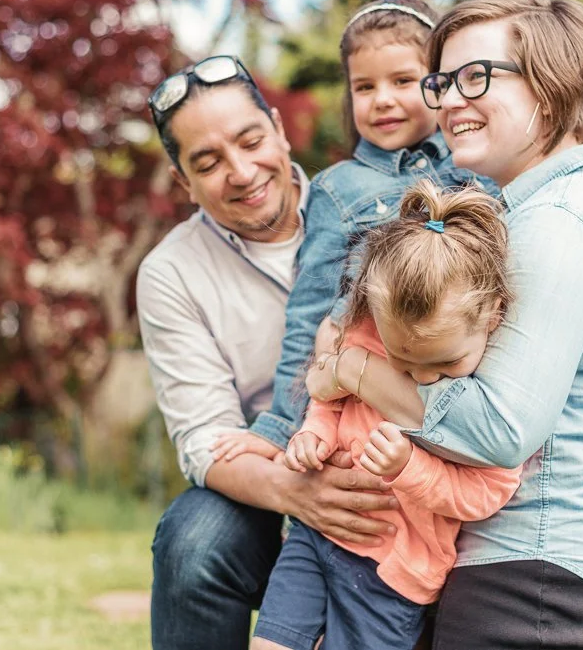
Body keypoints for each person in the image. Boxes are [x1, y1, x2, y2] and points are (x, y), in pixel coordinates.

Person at [312, 0, 583, 649]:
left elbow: (500, 426)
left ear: (549, 84)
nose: (448, 100)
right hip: (538, 562)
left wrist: (354, 370)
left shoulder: (558, 226)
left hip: (544, 564)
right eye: (443, 80)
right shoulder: (538, 205)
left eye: (476, 76)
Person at [211, 0, 583, 466]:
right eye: (364, 87)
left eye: (404, 81)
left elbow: (549, 217)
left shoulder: (477, 171)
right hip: (377, 393)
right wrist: (280, 427)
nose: (383, 101)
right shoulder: (340, 188)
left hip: (453, 386)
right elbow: (310, 312)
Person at [137, 55, 402, 650]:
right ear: (183, 181)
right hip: (272, 478)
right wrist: (295, 493)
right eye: (207, 163)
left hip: (395, 460)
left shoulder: (369, 205)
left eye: (251, 140)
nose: (240, 171)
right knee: (194, 541)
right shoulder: (171, 274)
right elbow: (205, 440)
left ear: (279, 131)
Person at [249, 180, 522, 650]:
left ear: (492, 316)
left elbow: (485, 492)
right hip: (317, 535)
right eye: (403, 361)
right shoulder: (368, 334)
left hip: (392, 569)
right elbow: (330, 401)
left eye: (444, 364)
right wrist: (313, 436)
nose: (421, 377)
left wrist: (409, 468)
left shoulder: (493, 396)